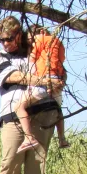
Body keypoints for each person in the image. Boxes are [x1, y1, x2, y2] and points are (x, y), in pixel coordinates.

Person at [0, 16, 63, 174]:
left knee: (37, 162)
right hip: (13, 114)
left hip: (43, 111)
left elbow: (57, 70)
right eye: (2, 39)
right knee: (10, 159)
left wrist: (55, 78)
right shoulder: (0, 56)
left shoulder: (36, 51)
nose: (6, 43)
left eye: (9, 38)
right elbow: (11, 76)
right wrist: (43, 80)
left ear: (19, 35)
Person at [16, 24, 70, 152]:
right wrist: (61, 80)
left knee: (19, 107)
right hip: (57, 79)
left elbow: (32, 61)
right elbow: (61, 61)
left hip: (43, 82)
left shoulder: (39, 42)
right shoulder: (58, 43)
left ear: (39, 33)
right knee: (58, 109)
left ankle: (28, 137)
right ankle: (62, 138)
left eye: (31, 40)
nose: (30, 44)